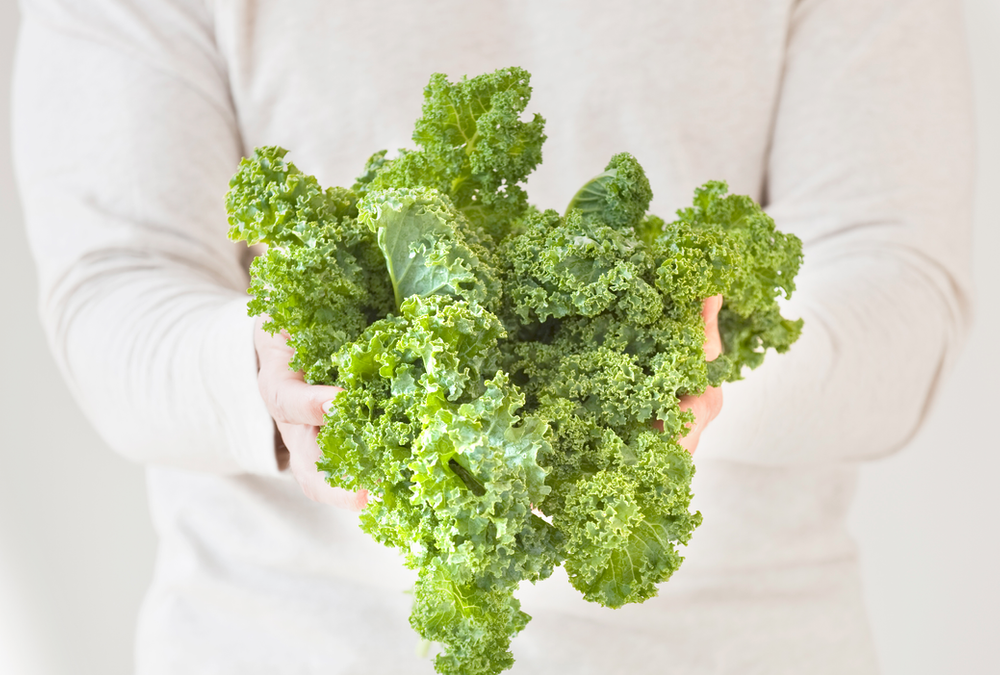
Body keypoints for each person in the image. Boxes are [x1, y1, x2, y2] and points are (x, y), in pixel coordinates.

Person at [13, 0, 973, 673]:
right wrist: (264, 379)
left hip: (737, 651)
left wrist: (691, 371)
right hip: (283, 645)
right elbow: (118, 287)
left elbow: (900, 294)